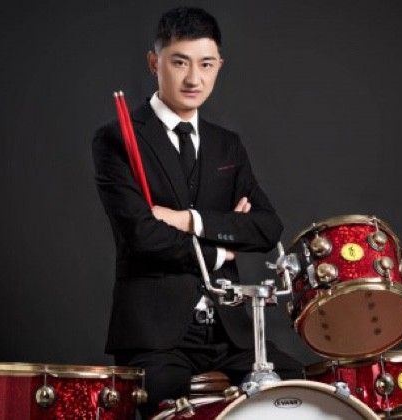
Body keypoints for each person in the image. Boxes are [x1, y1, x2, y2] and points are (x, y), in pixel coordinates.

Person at [92, 6, 302, 418]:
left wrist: (190, 220)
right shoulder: (116, 139)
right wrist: (224, 247)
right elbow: (143, 236)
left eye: (206, 64)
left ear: (219, 65)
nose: (194, 79)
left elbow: (266, 227)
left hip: (231, 334)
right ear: (154, 63)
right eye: (179, 62)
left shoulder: (227, 145)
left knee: (298, 389)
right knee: (166, 405)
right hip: (155, 337)